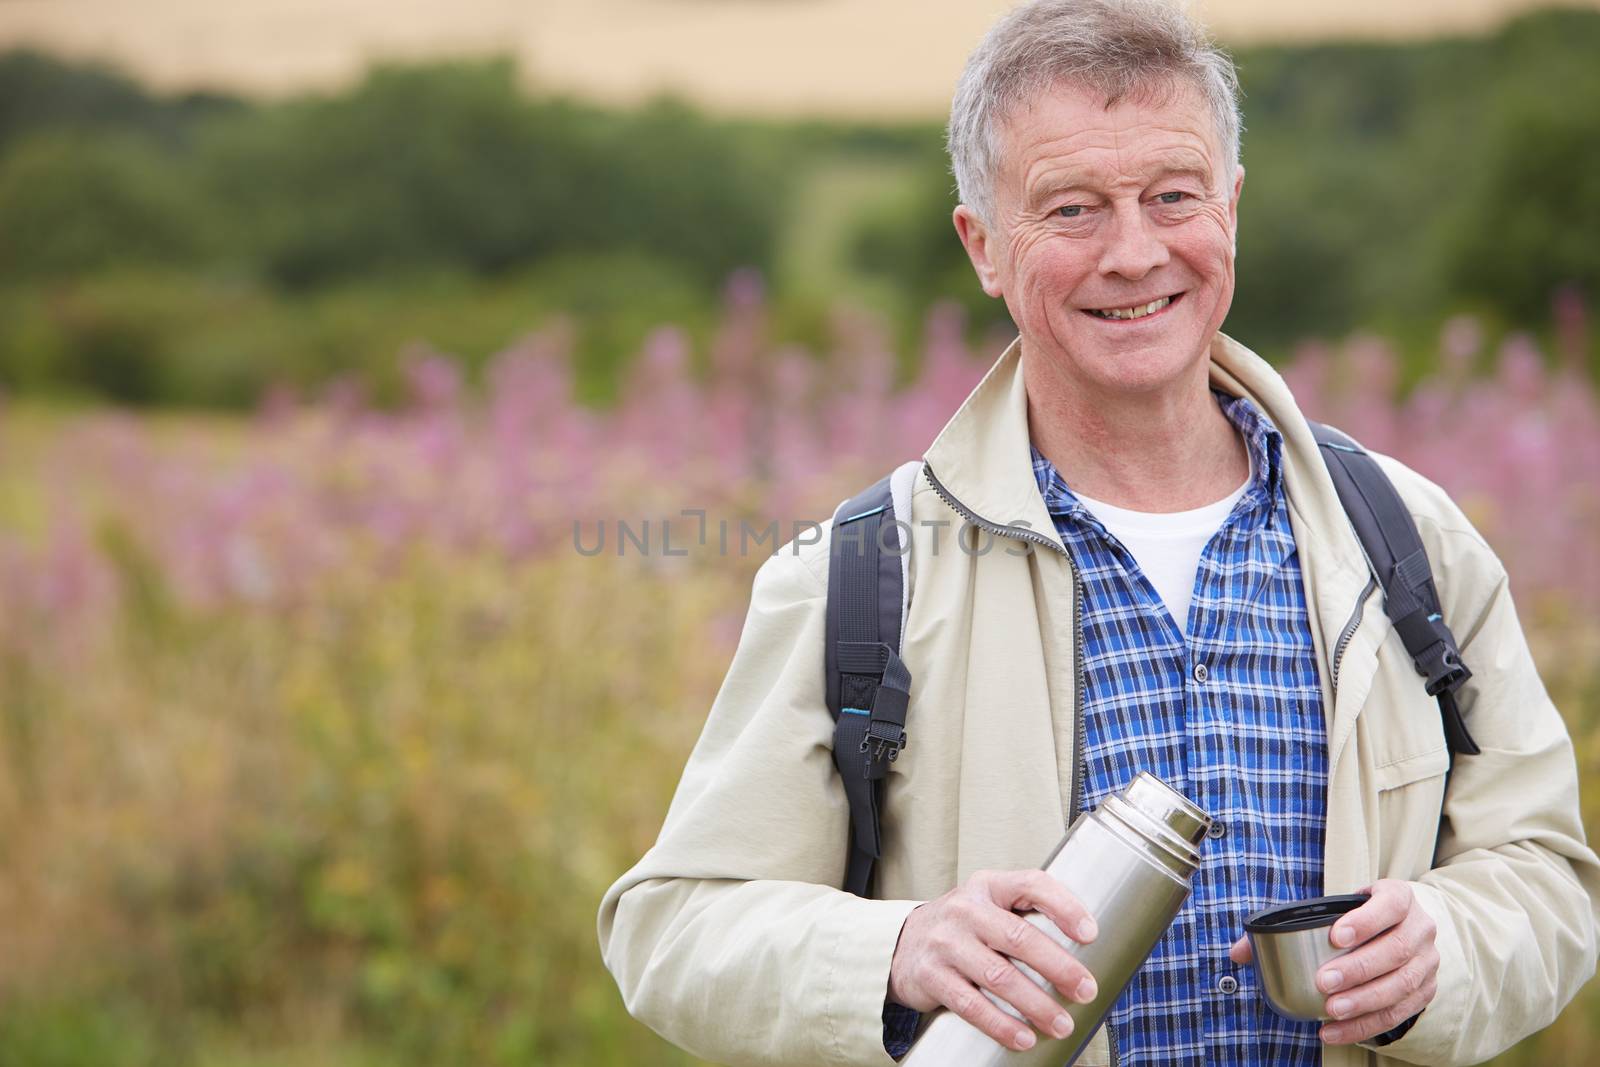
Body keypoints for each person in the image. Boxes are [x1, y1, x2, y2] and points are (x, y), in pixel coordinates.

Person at [596, 1, 1600, 1063]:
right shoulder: (859, 572)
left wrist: (1443, 947)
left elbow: (1545, 877)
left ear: (1232, 209)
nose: (1134, 252)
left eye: (1173, 196)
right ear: (981, 245)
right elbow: (671, 925)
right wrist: (893, 946)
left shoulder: (1411, 539)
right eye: (1070, 209)